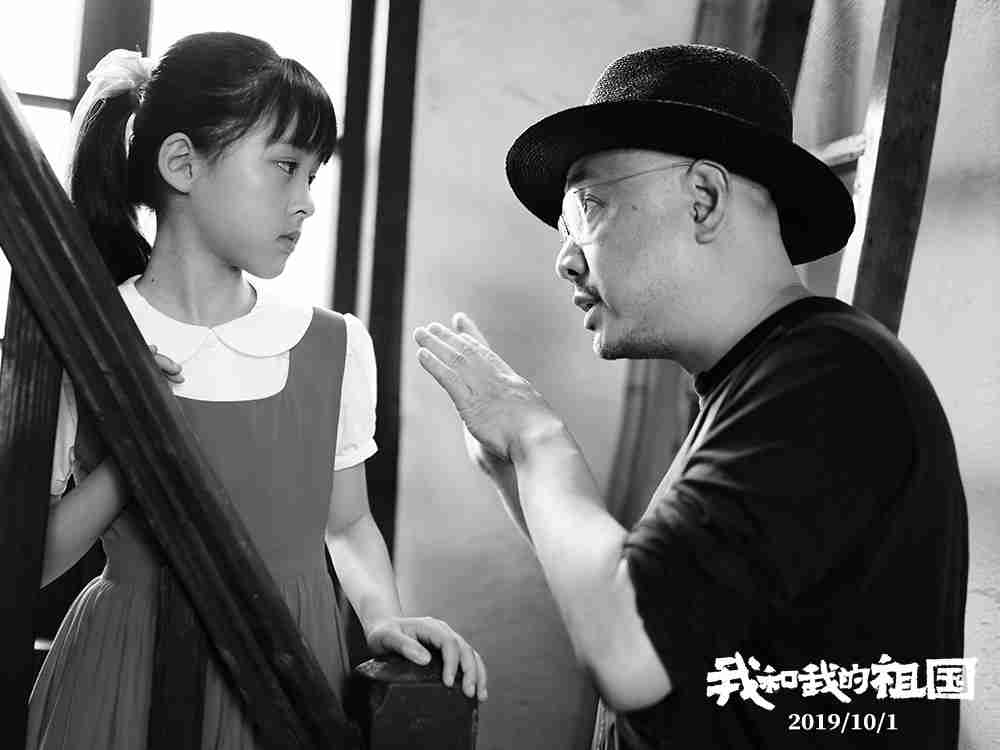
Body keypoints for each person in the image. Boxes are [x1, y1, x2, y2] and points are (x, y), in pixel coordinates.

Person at [414, 44, 967, 749]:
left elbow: (632, 652)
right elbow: (664, 606)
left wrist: (537, 440)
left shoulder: (831, 377)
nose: (566, 259)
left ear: (703, 199)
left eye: (587, 209)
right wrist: (509, 467)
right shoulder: (764, 377)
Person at [30, 32, 485, 750]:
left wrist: (384, 620)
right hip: (122, 675)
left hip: (289, 669)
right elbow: (34, 561)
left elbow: (347, 525)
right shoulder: (85, 337)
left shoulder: (334, 344)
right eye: (285, 167)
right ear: (183, 164)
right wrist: (135, 443)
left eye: (314, 175)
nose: (306, 203)